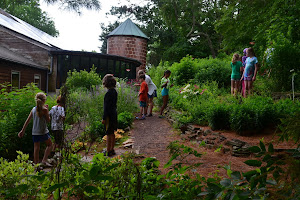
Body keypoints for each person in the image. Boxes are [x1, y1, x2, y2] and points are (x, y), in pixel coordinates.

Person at [18, 92, 52, 166]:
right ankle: (44, 161)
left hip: (35, 132)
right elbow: (48, 120)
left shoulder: (33, 109)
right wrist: (48, 110)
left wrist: (22, 130)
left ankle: (36, 165)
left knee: (36, 148)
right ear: (44, 100)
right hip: (43, 131)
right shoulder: (45, 110)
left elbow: (28, 120)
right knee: (49, 145)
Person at [102, 74, 118, 157]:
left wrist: (104, 118)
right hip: (114, 114)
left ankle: (108, 150)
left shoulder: (107, 94)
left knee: (108, 133)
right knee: (112, 132)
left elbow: (106, 108)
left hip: (109, 116)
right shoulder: (114, 92)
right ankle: (112, 149)